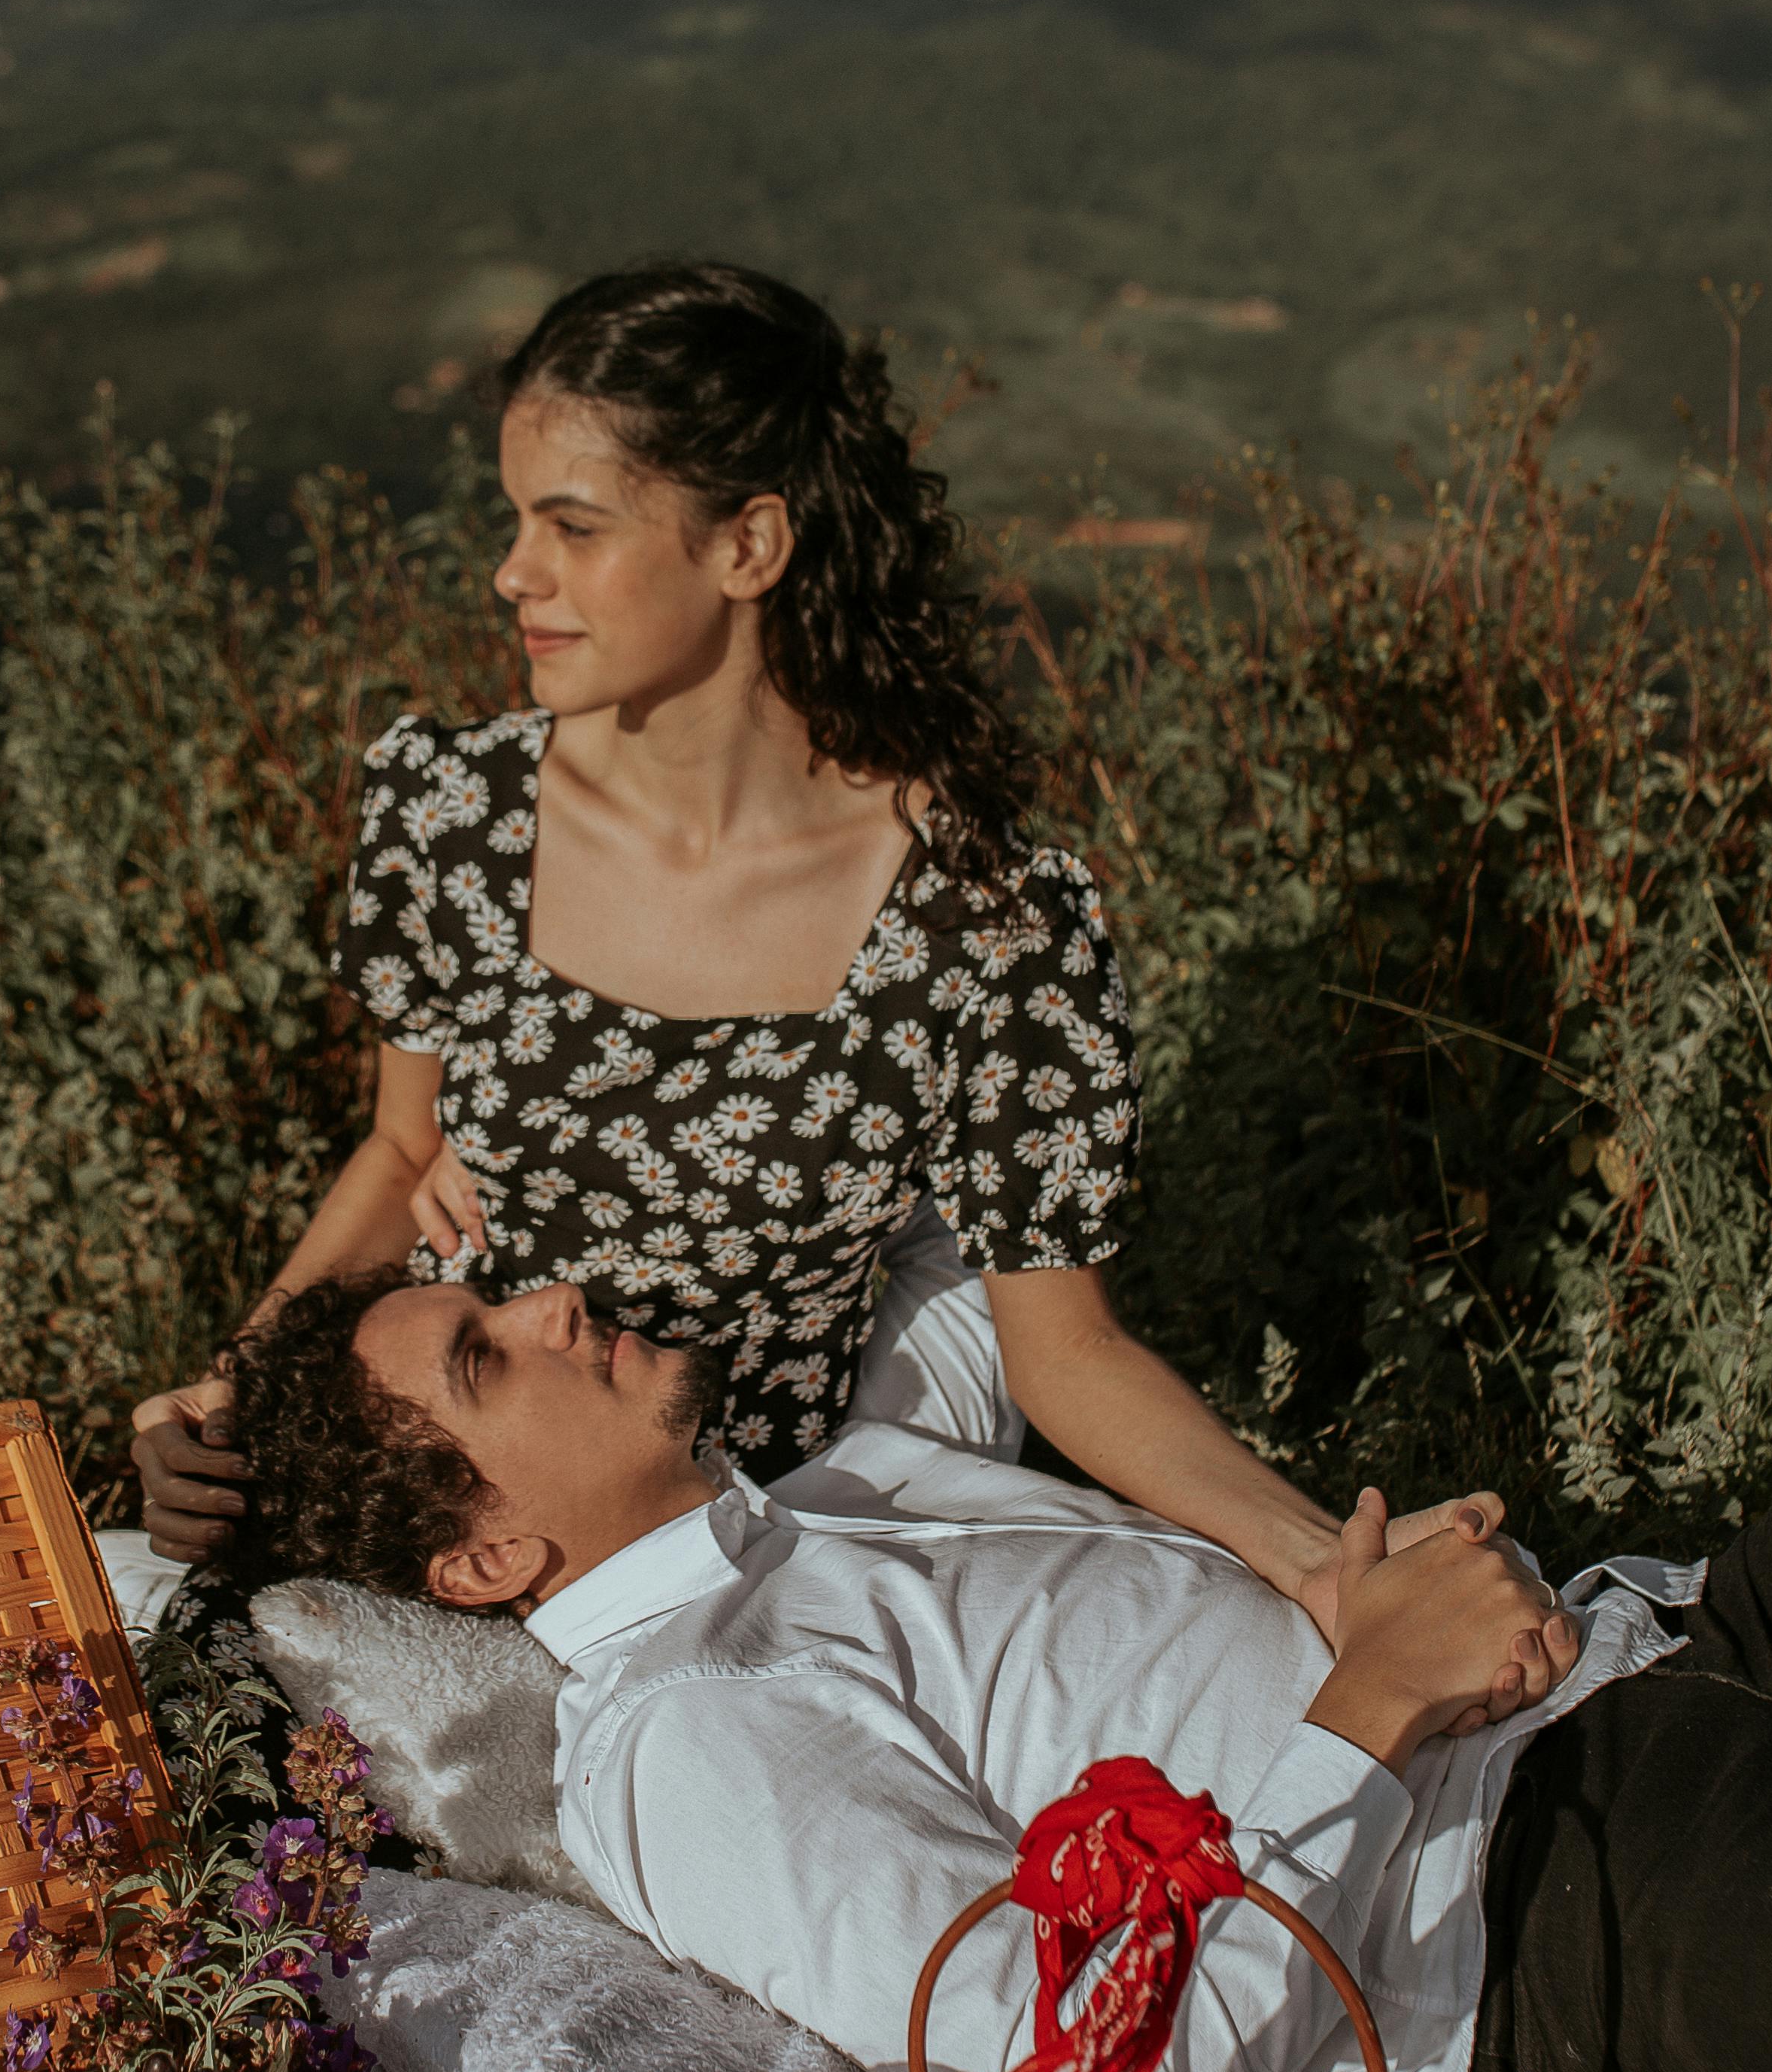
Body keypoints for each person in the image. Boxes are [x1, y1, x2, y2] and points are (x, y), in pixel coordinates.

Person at [132, 260, 1497, 1639]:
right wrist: (234, 1387)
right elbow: (397, 1153)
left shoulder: (988, 920)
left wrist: (1317, 1556)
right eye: (514, 519)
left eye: (574, 526)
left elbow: (1068, 1351)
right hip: (453, 1488)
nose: (512, 572)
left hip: (735, 1542)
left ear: (749, 546)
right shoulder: (450, 810)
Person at [220, 1263, 1772, 2072]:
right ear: (489, 1560)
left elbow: (1006, 1276)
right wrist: (1374, 1701)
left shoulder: (834, 1485)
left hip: (1699, 1641)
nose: (555, 1299)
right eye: (485, 1353)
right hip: (1568, 1919)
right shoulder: (687, 1744)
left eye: (501, 1292)